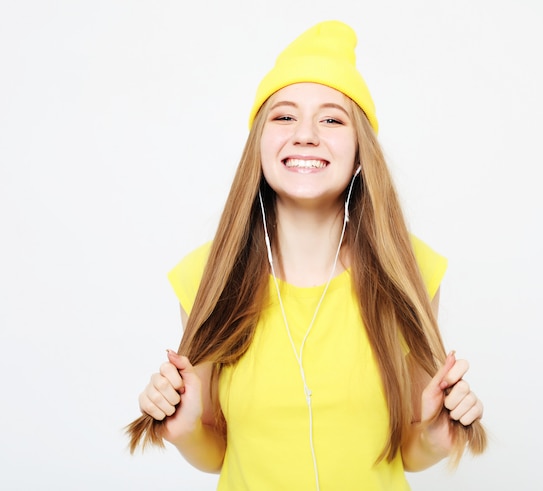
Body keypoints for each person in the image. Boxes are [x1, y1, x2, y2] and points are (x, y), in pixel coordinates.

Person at [126, 20, 486, 491]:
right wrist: (185, 427)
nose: (306, 135)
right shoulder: (205, 277)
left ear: (360, 153)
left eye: (333, 119)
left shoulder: (411, 270)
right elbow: (217, 453)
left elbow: (406, 451)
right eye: (284, 116)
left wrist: (437, 437)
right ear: (260, 145)